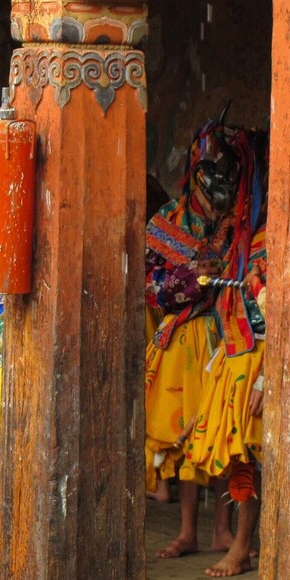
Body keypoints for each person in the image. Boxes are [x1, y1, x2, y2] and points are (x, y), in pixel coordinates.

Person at [145, 116, 260, 561]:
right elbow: (145, 283)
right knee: (186, 438)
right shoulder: (167, 220)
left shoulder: (241, 222)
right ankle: (188, 531)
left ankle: (223, 531)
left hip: (230, 335)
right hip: (185, 338)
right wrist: (189, 280)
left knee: (224, 434)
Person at [179, 130, 268, 577]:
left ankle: (245, 548)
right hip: (233, 358)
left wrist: (267, 378)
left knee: (251, 458)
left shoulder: (269, 238)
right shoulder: (240, 239)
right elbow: (230, 307)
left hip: (261, 361)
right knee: (238, 459)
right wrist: (214, 377)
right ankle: (241, 545)